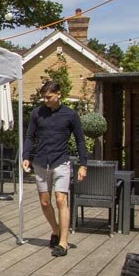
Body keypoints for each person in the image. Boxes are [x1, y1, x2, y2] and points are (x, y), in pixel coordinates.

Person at [21, 80, 89, 257]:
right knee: (44, 202)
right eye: (43, 97)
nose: (46, 100)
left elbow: (81, 140)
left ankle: (63, 243)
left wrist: (83, 164)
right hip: (41, 162)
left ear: (59, 94)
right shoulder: (37, 113)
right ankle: (56, 230)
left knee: (61, 200)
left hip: (61, 162)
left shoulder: (70, 115)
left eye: (49, 97)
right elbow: (30, 136)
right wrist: (26, 156)